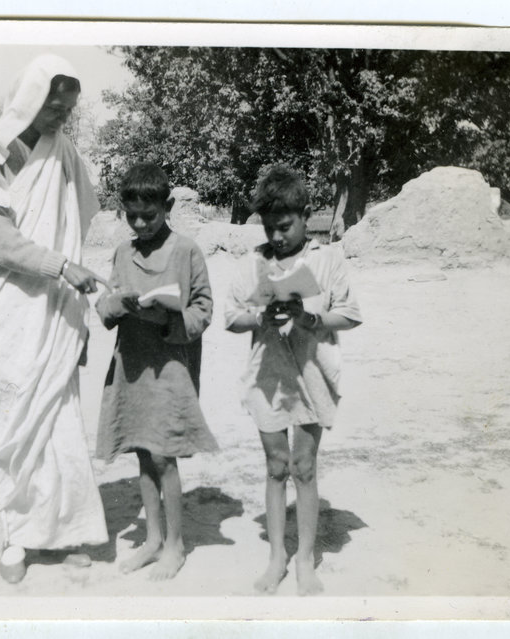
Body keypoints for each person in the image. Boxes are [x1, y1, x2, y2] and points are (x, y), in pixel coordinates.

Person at [0, 54, 109, 584]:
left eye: (68, 110)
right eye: (54, 106)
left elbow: (81, 221)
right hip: (5, 309)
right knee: (12, 421)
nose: (60, 117)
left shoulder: (66, 153)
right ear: (31, 98)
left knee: (58, 420)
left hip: (55, 310)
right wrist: (62, 267)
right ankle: (16, 537)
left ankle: (66, 532)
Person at [224, 165, 362, 595]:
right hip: (267, 376)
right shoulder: (254, 262)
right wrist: (258, 318)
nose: (277, 236)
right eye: (269, 228)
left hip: (311, 374)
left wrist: (311, 319)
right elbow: (231, 317)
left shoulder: (327, 259)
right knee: (275, 466)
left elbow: (350, 314)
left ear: (306, 215)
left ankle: (304, 558)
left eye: (285, 226)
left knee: (303, 466)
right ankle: (276, 558)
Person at [94, 162, 218, 581]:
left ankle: (175, 545)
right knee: (143, 452)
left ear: (168, 207)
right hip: (132, 365)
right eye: (132, 216)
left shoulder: (186, 251)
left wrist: (168, 320)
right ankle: (152, 539)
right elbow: (106, 304)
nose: (141, 224)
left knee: (164, 456)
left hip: (170, 365)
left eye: (149, 215)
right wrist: (115, 305)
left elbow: (203, 308)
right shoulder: (122, 253)